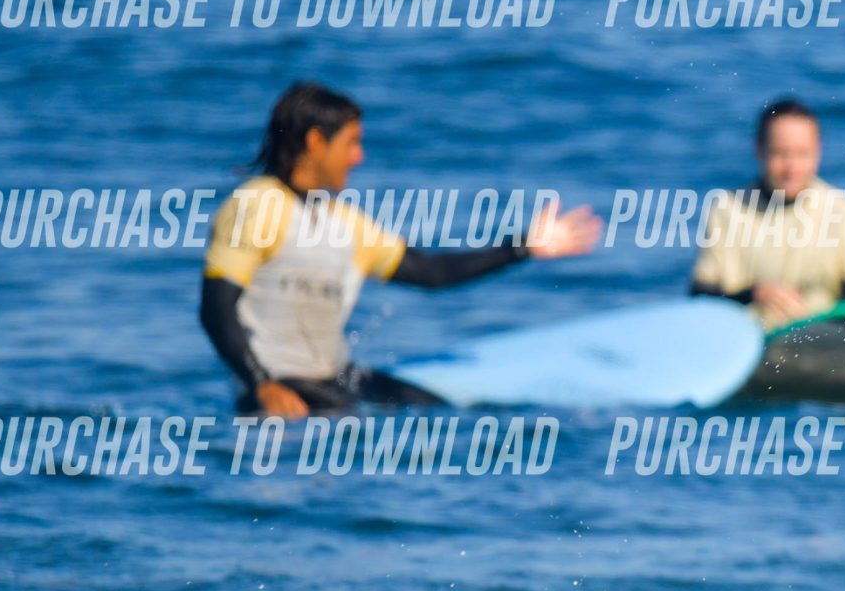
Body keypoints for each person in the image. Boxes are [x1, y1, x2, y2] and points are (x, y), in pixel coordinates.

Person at [202, 82, 601, 417]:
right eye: (351, 143)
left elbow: (429, 272)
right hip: (277, 387)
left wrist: (521, 248)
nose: (359, 157)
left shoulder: (343, 221)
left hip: (334, 378)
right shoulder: (256, 206)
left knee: (439, 412)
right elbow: (216, 307)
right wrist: (263, 385)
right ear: (315, 141)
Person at [688, 98, 845, 326]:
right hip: (747, 340)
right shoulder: (726, 209)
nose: (792, 167)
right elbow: (700, 303)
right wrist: (752, 295)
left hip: (822, 341)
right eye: (780, 153)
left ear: (818, 152)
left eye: (802, 154)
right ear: (758, 150)